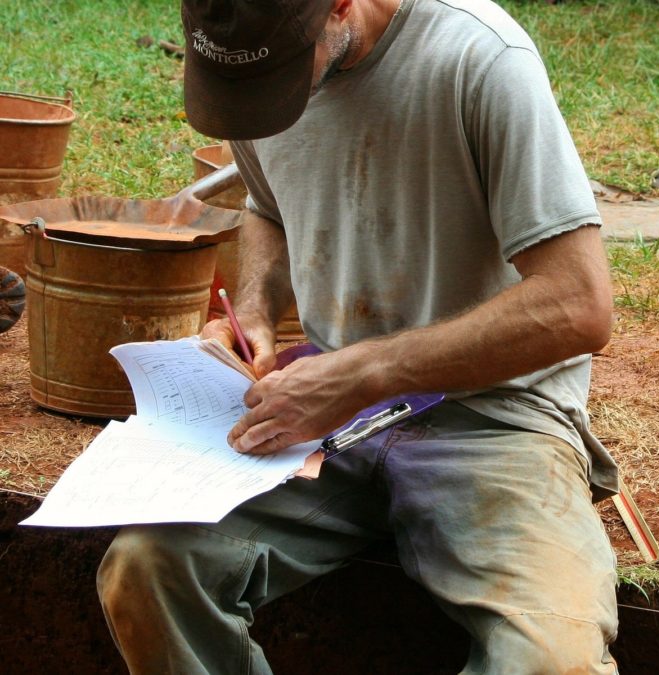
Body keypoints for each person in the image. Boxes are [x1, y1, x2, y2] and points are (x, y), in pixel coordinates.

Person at [96, 0, 621, 672]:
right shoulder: (262, 63)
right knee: (145, 568)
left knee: (553, 660)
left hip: (494, 418)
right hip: (322, 423)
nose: (270, 104)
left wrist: (365, 372)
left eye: (283, 77)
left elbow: (579, 304)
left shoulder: (481, 58)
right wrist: (256, 303)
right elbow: (268, 205)